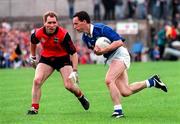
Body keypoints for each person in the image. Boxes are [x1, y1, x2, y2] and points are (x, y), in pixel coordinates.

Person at [72, 11, 168, 118]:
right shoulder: (85, 38)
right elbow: (97, 50)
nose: (74, 27)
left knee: (109, 80)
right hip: (111, 60)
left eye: (76, 23)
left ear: (84, 21)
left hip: (120, 55)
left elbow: (119, 42)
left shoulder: (102, 28)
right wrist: (97, 51)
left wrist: (104, 49)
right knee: (126, 91)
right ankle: (152, 81)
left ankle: (118, 111)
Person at [27, 11, 89, 115]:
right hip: (46, 59)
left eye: (54, 22)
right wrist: (33, 56)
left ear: (57, 23)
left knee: (69, 85)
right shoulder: (38, 33)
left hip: (63, 59)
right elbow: (33, 42)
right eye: (49, 22)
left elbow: (73, 53)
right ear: (44, 23)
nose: (52, 25)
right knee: (37, 81)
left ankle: (81, 96)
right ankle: (34, 108)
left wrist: (75, 71)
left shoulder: (63, 34)